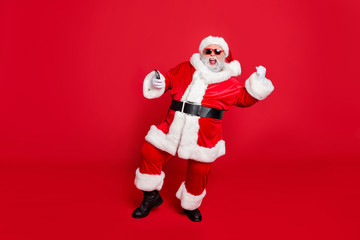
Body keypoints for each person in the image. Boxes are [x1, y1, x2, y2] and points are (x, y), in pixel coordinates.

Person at [132, 36, 274, 222]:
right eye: (208, 51)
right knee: (149, 152)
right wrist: (157, 81)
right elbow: (167, 79)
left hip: (204, 137)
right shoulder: (185, 68)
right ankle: (150, 197)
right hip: (172, 127)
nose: (212, 55)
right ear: (202, 53)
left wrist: (259, 82)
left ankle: (190, 205)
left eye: (217, 51)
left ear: (225, 56)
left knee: (199, 172)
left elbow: (245, 98)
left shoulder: (229, 82)